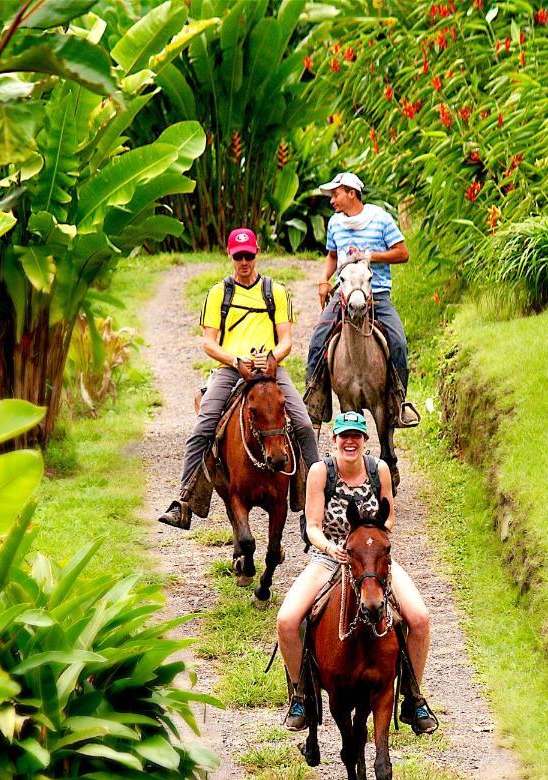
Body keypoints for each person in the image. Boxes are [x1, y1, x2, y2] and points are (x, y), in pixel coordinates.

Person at [276, 411, 437, 734]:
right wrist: (329, 548)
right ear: (334, 440)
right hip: (331, 558)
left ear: (364, 441)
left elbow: (389, 516)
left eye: (356, 436)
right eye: (344, 436)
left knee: (419, 618)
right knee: (287, 620)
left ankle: (414, 697)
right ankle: (300, 695)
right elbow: (312, 526)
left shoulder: (379, 470)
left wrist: (371, 538)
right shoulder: (321, 472)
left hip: (372, 562)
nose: (350, 442)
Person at [159, 227, 320, 529]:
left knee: (302, 424)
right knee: (204, 425)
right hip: (230, 368)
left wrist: (271, 358)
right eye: (238, 256)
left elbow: (286, 339)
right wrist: (234, 359)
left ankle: (318, 499)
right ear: (230, 256)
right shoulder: (219, 293)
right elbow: (208, 342)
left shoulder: (276, 291)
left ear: (256, 253)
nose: (244, 262)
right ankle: (183, 501)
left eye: (248, 255)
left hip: (270, 370)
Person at [306, 172, 419, 428]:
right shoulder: (335, 223)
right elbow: (332, 256)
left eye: (335, 195)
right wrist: (324, 278)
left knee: (398, 342)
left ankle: (399, 403)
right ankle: (315, 400)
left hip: (376, 293)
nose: (332, 201)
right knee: (317, 339)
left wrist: (370, 256)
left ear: (351, 193)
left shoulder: (380, 219)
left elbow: (402, 253)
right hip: (344, 294)